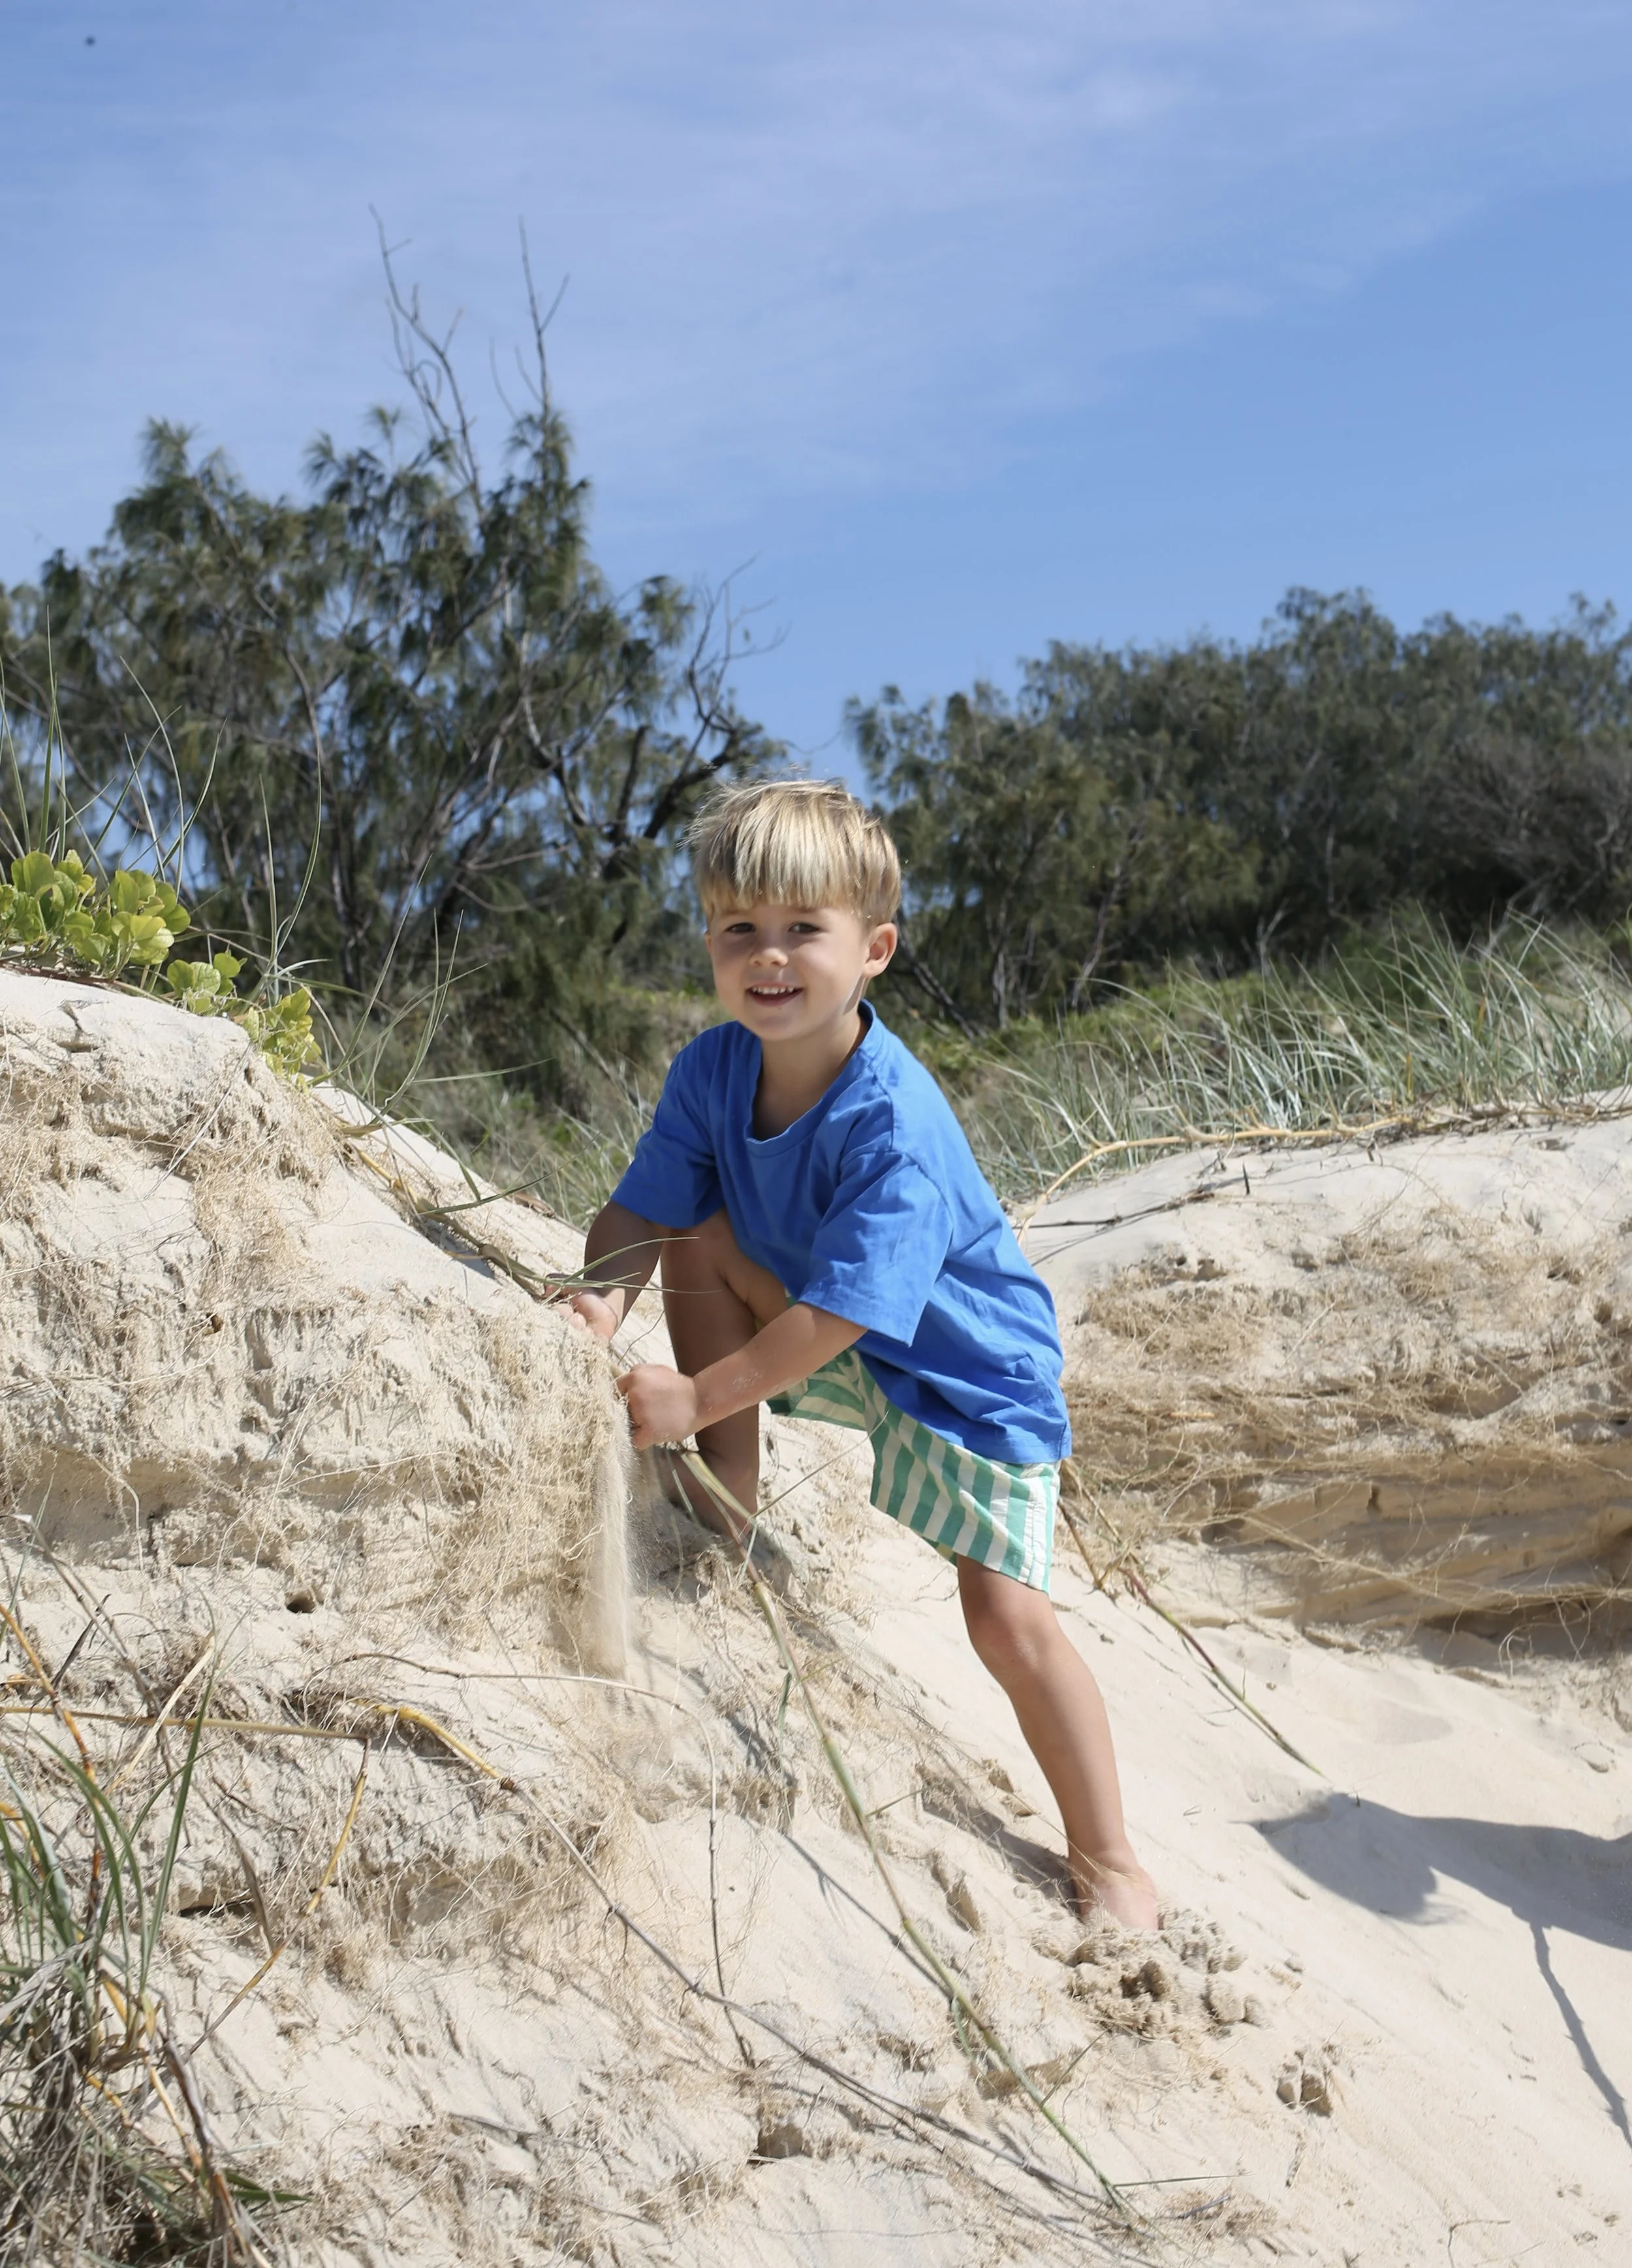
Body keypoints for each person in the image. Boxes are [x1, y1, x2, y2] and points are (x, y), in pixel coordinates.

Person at [571, 778, 1157, 1927]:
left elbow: (844, 1314)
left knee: (1005, 1619)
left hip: (966, 1377)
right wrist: (596, 1304)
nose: (769, 957)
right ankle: (721, 1509)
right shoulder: (712, 1072)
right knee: (697, 1227)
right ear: (708, 942)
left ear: (875, 947)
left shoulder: (894, 1122)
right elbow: (641, 1211)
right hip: (815, 1321)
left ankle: (1112, 1855)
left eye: (804, 930)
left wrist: (692, 1393)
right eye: (740, 929)